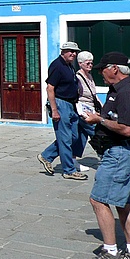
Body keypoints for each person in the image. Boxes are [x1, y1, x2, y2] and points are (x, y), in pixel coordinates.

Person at [81, 52, 130, 259]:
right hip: (120, 153)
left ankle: (110, 252)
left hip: (120, 153)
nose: (100, 73)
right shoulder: (117, 91)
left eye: (103, 69)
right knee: (122, 203)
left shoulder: (126, 93)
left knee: (98, 200)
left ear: (115, 68)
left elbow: (127, 129)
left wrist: (99, 119)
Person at [37, 41, 88, 180]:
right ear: (63, 52)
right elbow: (50, 88)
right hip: (61, 104)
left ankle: (47, 155)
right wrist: (54, 110)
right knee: (65, 138)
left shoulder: (69, 66)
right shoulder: (57, 66)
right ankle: (69, 170)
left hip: (71, 105)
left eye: (75, 51)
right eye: (70, 51)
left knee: (74, 136)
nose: (73, 53)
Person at [73, 50, 99, 168]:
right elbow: (76, 95)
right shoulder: (78, 77)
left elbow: (93, 94)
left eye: (91, 63)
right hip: (83, 111)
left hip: (91, 108)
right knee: (96, 132)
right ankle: (105, 153)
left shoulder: (89, 76)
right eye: (87, 63)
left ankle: (73, 160)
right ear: (80, 63)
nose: (90, 65)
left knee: (81, 135)